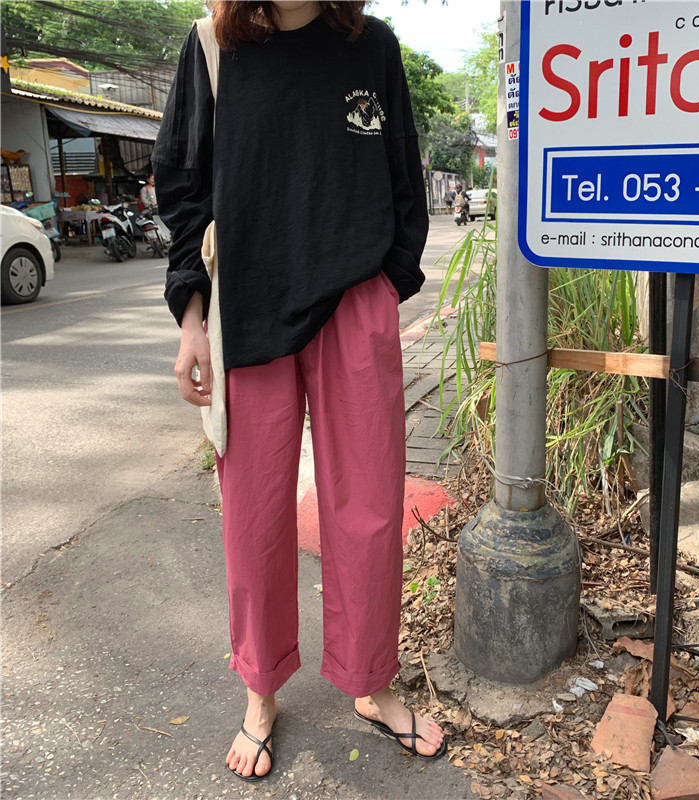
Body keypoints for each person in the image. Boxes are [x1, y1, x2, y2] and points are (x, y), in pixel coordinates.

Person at [151, 0, 446, 784]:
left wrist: (388, 281)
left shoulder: (372, 47)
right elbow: (183, 187)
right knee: (253, 515)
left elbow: (404, 176)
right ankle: (261, 688)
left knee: (370, 510)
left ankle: (370, 680)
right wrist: (191, 318)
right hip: (248, 306)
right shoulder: (213, 47)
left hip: (355, 301)